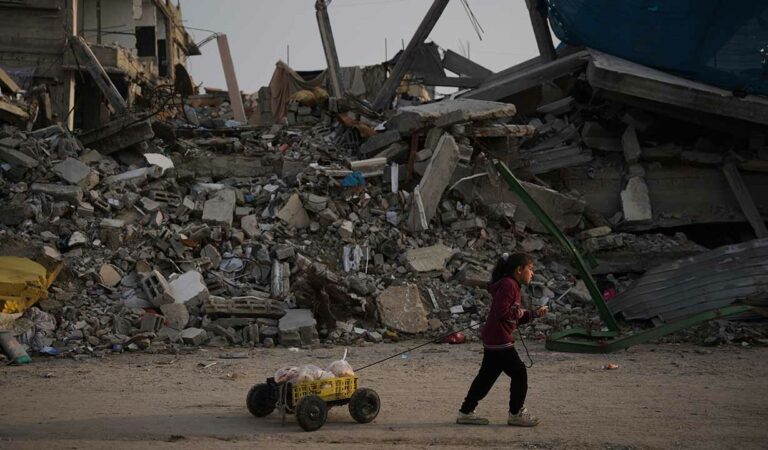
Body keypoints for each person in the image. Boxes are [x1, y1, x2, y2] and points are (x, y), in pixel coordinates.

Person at [456, 252, 546, 426]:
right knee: (519, 372)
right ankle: (516, 413)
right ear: (519, 270)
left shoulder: (510, 284)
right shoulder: (509, 284)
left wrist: (533, 314)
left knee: (486, 377)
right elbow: (502, 311)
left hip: (494, 337)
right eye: (530, 269)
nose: (532, 273)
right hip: (500, 339)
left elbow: (511, 316)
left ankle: (466, 411)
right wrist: (520, 313)